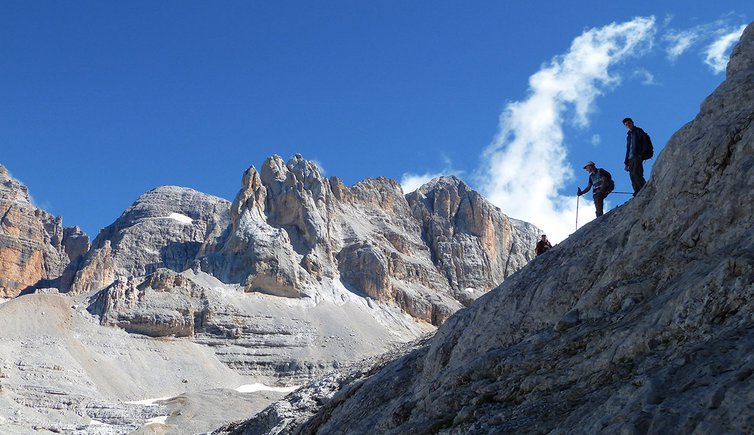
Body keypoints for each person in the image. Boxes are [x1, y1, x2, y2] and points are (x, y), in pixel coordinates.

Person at [623, 117, 649, 196]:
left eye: (629, 123)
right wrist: (626, 162)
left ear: (632, 122)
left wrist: (642, 154)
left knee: (637, 173)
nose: (628, 125)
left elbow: (644, 143)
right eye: (626, 125)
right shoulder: (628, 136)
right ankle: (637, 190)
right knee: (632, 175)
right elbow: (628, 149)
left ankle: (642, 188)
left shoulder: (638, 131)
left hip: (637, 156)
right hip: (630, 158)